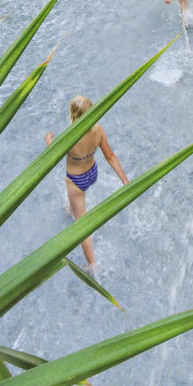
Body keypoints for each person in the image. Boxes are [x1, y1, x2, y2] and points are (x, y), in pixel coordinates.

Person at [45, 96, 129, 269]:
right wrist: (124, 179)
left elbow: (52, 154)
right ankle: (71, 208)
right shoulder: (98, 130)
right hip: (92, 173)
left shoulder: (69, 137)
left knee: (81, 225)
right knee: (73, 207)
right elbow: (110, 156)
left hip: (76, 181)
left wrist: (48, 140)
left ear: (73, 114)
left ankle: (92, 265)